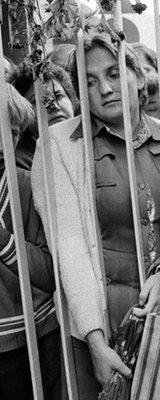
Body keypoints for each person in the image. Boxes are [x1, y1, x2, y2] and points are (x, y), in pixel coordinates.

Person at [30, 33, 160, 398]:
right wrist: (95, 340)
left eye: (114, 73)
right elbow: (68, 246)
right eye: (89, 82)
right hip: (98, 330)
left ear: (137, 76)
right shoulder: (58, 144)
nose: (104, 88)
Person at [0, 84, 61, 400]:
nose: (3, 141)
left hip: (36, 336)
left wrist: (5, 241)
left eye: (11, 131)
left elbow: (50, 273)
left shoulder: (27, 183)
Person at [9, 62, 78, 169]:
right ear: (24, 112)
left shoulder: (94, 142)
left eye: (58, 95)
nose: (54, 106)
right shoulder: (19, 165)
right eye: (37, 101)